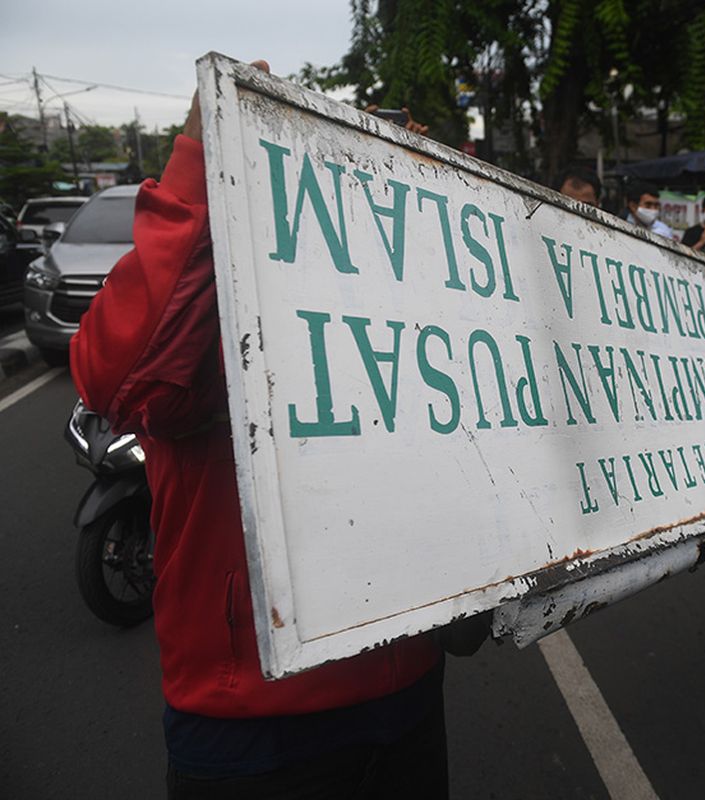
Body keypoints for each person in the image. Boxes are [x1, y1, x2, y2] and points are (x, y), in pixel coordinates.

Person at [71, 59, 472, 799]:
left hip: (410, 685)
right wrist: (201, 156)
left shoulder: (409, 305)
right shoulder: (214, 287)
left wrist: (453, 199)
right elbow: (117, 380)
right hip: (253, 725)